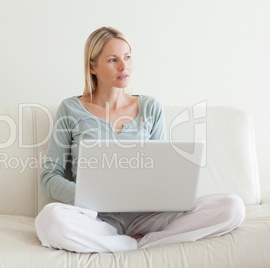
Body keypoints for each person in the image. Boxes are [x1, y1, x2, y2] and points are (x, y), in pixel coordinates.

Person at [35, 26, 245, 253]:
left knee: (233, 207)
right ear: (92, 67)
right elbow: (49, 176)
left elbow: (160, 170)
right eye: (113, 60)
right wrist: (86, 196)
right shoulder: (70, 109)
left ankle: (143, 241)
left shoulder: (150, 107)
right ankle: (130, 244)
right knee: (49, 220)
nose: (124, 66)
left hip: (149, 217)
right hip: (97, 219)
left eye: (127, 57)